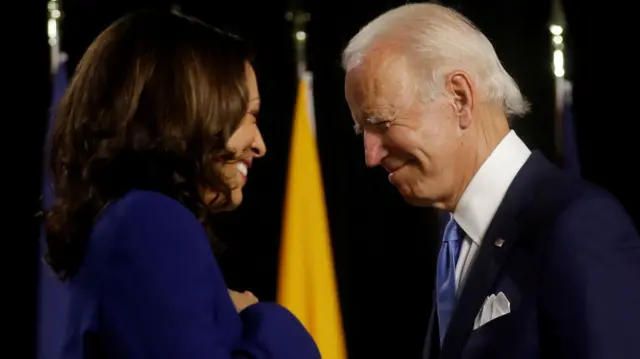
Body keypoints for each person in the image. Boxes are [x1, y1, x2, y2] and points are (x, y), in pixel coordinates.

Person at [342, 3, 640, 359]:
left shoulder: (577, 226)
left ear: (459, 98)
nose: (370, 156)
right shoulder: (456, 241)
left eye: (382, 122)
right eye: (363, 130)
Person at [44, 9, 320, 359]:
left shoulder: (128, 219)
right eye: (249, 115)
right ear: (190, 113)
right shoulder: (150, 221)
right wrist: (265, 320)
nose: (261, 144)